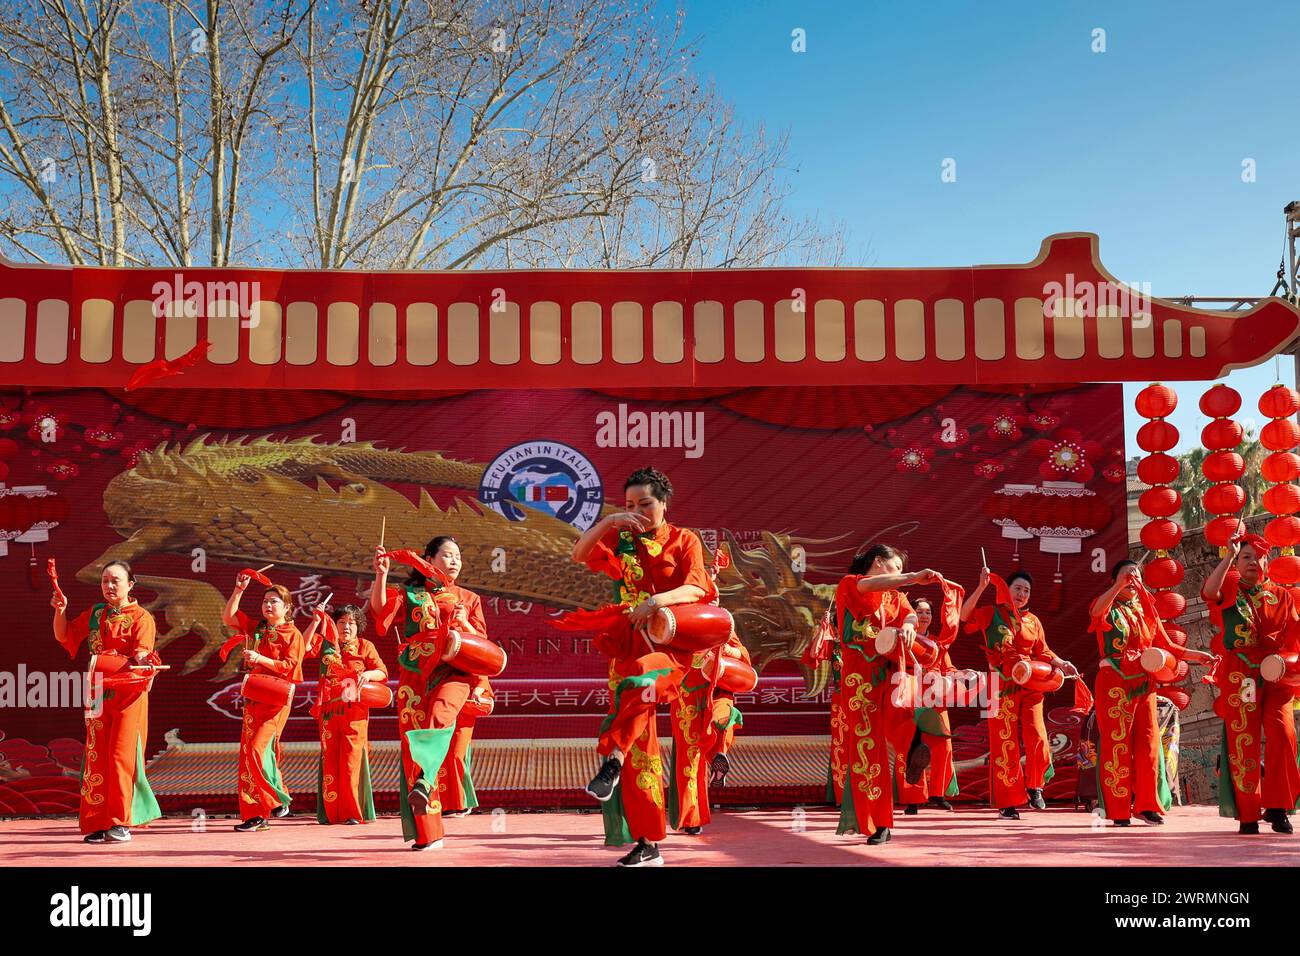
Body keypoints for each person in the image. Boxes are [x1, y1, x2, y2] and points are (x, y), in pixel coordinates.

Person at [566, 466, 717, 866]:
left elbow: (698, 586)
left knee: (643, 683)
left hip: (672, 643)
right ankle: (648, 843)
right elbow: (580, 553)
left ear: (664, 503)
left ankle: (611, 760)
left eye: (645, 503)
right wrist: (610, 521)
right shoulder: (623, 537)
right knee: (641, 750)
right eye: (630, 504)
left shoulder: (685, 539)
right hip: (628, 642)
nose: (637, 511)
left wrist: (656, 601)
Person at [371, 535, 489, 850]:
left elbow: (484, 644)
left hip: (454, 670)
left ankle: (427, 779)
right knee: (414, 746)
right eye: (447, 555)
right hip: (414, 675)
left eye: (458, 556)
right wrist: (382, 574)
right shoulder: (410, 593)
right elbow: (381, 617)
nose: (454, 561)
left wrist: (466, 625)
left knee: (440, 717)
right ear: (429, 559)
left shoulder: (468, 598)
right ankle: (428, 833)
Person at [832, 544, 939, 845]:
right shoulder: (850, 584)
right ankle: (879, 823)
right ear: (878, 562)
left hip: (889, 667)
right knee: (869, 746)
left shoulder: (897, 596)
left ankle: (914, 745)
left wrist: (907, 625)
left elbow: (909, 616)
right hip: (859, 676)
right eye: (895, 568)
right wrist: (912, 577)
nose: (899, 575)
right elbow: (870, 586)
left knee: (902, 712)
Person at [52, 560, 163, 843]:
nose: (109, 586)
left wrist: (143, 660)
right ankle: (99, 822)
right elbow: (65, 636)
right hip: (98, 695)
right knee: (97, 758)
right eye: (104, 581)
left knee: (120, 757)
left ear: (130, 585)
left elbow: (142, 653)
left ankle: (120, 821)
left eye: (115, 580)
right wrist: (60, 611)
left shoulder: (142, 617)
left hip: (128, 696)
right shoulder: (96, 614)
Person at [1201, 535, 1300, 834]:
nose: (1253, 562)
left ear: (1267, 563)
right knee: (1244, 740)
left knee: (1283, 733)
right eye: (1246, 557)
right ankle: (1248, 812)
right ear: (1237, 563)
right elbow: (1209, 591)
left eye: (1258, 557)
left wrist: (1287, 663)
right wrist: (1228, 556)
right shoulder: (1230, 588)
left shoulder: (1282, 596)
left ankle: (1278, 807)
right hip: (1240, 675)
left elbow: (1295, 637)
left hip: (1275, 673)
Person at [961, 568, 1078, 819]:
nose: (1022, 594)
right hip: (1001, 684)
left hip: (1030, 683)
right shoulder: (991, 613)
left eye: (1026, 591)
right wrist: (982, 586)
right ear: (1006, 590)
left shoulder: (1033, 621)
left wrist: (1062, 663)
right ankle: (1008, 802)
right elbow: (964, 616)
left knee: (1037, 735)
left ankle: (1035, 785)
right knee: (1005, 742)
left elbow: (1044, 652)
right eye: (1017, 589)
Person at [224, 576, 305, 831]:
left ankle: (276, 799)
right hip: (255, 698)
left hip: (276, 700)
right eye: (265, 601)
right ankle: (254, 815)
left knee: (259, 749)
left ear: (287, 607)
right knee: (250, 754)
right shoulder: (258, 628)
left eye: (274, 601)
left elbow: (290, 668)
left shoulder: (293, 635)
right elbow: (229, 617)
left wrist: (260, 658)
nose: (268, 605)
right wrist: (238, 589)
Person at [304, 604, 388, 825]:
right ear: (334, 625)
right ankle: (331, 813)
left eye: (351, 623)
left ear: (358, 626)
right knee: (330, 758)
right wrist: (315, 622)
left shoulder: (364, 646)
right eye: (341, 622)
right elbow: (302, 649)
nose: (346, 627)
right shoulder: (326, 644)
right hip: (329, 711)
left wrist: (368, 675)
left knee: (351, 759)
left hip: (355, 711)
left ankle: (352, 812)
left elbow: (382, 672)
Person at [438, 677, 494, 818]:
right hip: (443, 711)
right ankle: (446, 803)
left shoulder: (467, 656)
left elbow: (481, 677)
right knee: (441, 757)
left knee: (456, 756)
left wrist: (478, 691)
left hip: (463, 712)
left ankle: (461, 803)